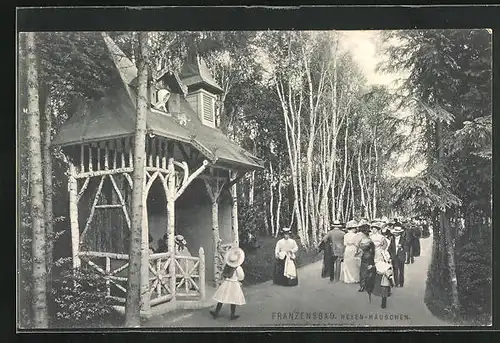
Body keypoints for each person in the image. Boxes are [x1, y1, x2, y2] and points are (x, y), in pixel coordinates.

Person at [210, 247, 246, 320]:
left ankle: (216, 313)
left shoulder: (227, 266)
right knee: (233, 299)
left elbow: (224, 274)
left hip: (227, 283)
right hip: (234, 284)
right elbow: (241, 277)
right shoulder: (238, 268)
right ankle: (232, 315)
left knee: (222, 298)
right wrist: (237, 279)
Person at [370, 221, 394, 309]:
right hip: (374, 253)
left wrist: (381, 249)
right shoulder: (370, 237)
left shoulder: (381, 237)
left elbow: (385, 245)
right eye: (372, 228)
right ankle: (376, 288)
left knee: (382, 270)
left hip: (380, 253)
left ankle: (384, 290)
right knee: (375, 270)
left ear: (378, 229)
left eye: (375, 228)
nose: (373, 230)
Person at [357, 220, 376, 302]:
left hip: (363, 257)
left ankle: (362, 286)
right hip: (369, 256)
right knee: (369, 271)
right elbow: (373, 251)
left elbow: (358, 249)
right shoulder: (370, 241)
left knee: (362, 271)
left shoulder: (361, 241)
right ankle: (369, 286)